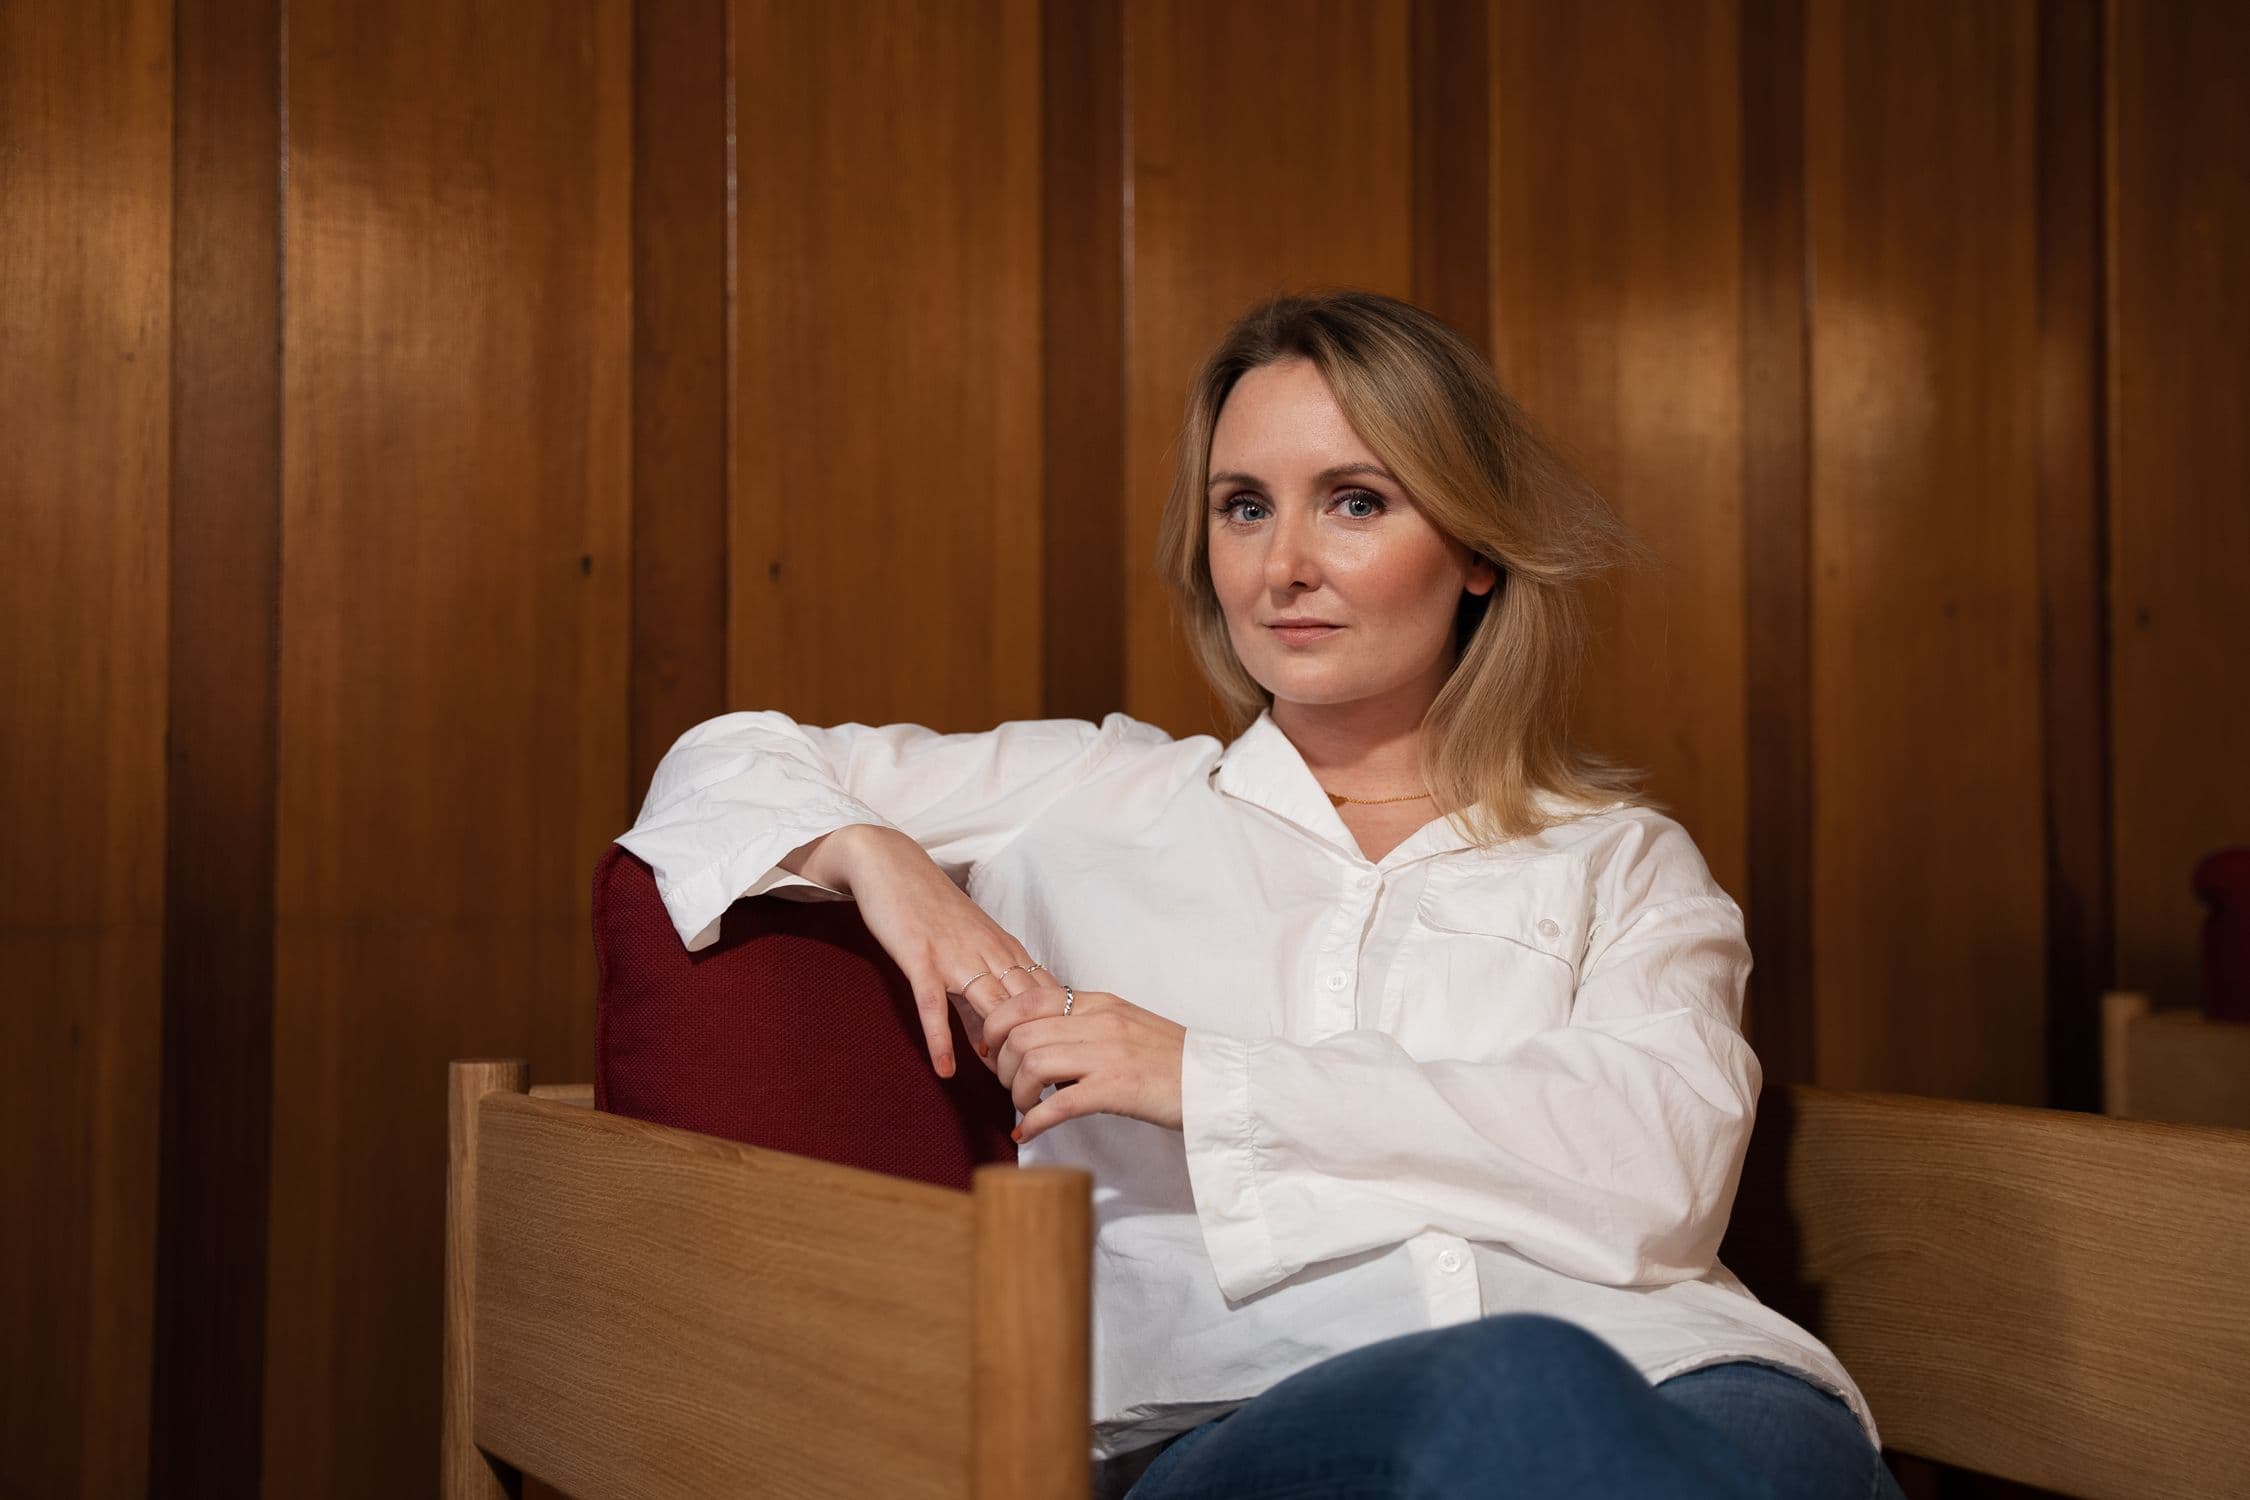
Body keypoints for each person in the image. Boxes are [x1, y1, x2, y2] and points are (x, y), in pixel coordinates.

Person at [617, 290, 1902, 1499]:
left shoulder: (1617, 858)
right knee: (1518, 1394)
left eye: (1353, 502)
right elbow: (722, 765)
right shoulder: (1090, 790)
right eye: (1243, 507)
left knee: (1784, 1454)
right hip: (1246, 1415)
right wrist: (881, 858)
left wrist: (1210, 1081)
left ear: (1475, 553)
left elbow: (1653, 1161)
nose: (1282, 565)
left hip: (1684, 1365)